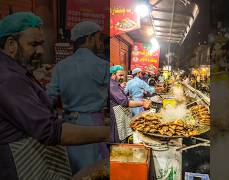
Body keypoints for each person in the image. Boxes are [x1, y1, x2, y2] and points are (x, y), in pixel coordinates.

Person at [0, 12, 109, 179]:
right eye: (34, 44)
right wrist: (109, 132)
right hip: (23, 157)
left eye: (41, 44)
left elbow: (48, 99)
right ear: (11, 44)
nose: (41, 50)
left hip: (67, 125)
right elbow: (48, 130)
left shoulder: (58, 66)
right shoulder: (9, 78)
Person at [47, 21, 108, 173]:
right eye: (98, 38)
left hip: (69, 128)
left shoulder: (60, 67)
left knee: (74, 170)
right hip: (94, 127)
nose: (100, 43)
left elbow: (49, 99)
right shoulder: (103, 65)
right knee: (93, 171)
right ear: (89, 38)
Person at [110, 65, 151, 143]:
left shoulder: (116, 84)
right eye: (120, 75)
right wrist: (142, 103)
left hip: (123, 113)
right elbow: (124, 102)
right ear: (113, 75)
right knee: (118, 137)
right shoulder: (112, 86)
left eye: (123, 75)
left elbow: (125, 95)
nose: (122, 77)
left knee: (124, 134)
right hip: (116, 116)